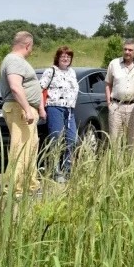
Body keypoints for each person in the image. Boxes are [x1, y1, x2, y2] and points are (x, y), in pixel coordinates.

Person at [0, 31, 44, 197]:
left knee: (30, 149)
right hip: (20, 110)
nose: (31, 51)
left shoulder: (16, 61)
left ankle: (31, 186)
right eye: (31, 47)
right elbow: (15, 86)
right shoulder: (14, 60)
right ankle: (13, 190)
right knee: (20, 150)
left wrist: (38, 108)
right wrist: (27, 109)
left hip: (24, 109)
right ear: (27, 45)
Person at [40, 45, 79, 181]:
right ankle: (54, 170)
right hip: (54, 107)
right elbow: (41, 89)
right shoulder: (51, 71)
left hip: (69, 110)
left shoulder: (72, 72)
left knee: (72, 139)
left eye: (68, 56)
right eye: (63, 56)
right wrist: (41, 109)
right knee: (56, 138)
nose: (66, 58)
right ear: (58, 57)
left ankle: (67, 169)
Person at [104, 39, 134, 150]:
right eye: (125, 49)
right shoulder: (114, 64)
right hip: (116, 106)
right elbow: (108, 84)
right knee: (115, 140)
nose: (127, 52)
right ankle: (117, 166)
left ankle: (132, 164)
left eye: (130, 50)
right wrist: (109, 103)